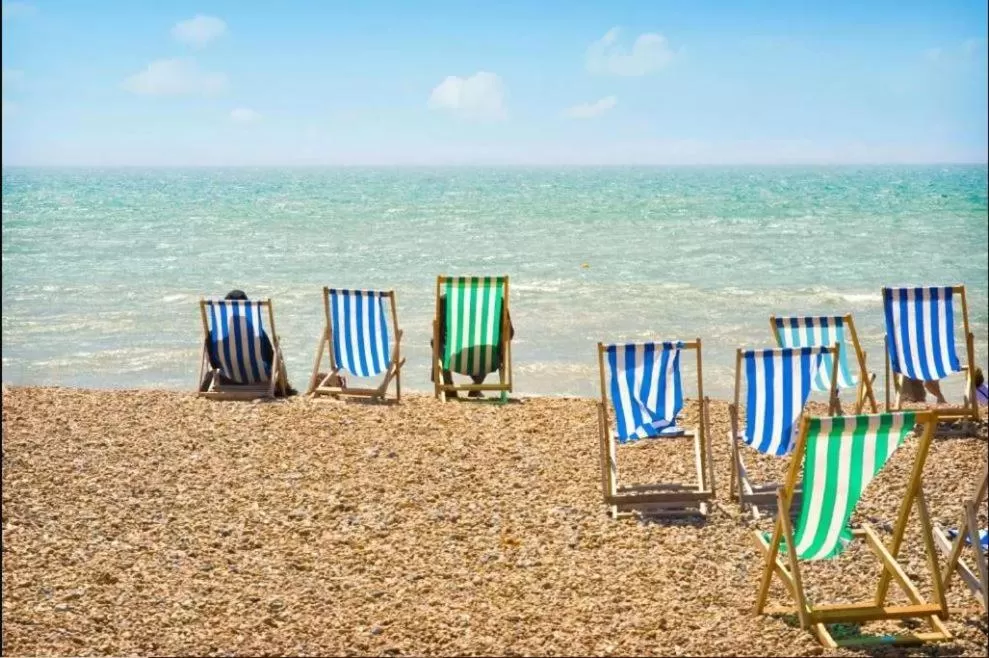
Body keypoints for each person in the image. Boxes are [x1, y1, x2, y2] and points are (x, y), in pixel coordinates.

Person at [205, 290, 297, 396]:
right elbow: (270, 357)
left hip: (228, 377)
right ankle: (285, 388)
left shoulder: (215, 335)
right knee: (278, 353)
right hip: (257, 377)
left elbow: (213, 361)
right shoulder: (258, 334)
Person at [430, 292, 514, 399]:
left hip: (454, 358)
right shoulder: (498, 301)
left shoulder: (445, 300)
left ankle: (448, 386)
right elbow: (509, 333)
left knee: (435, 341)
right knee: (491, 348)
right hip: (487, 359)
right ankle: (476, 387)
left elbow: (438, 334)